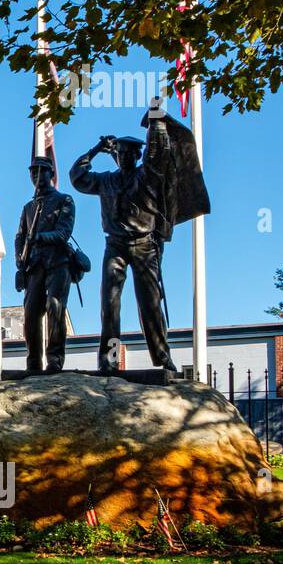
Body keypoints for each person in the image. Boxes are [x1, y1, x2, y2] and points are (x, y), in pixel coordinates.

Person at [69, 110, 175, 372]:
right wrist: (96, 149)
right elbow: (77, 177)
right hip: (115, 246)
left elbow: (158, 153)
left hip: (144, 245)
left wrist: (156, 122)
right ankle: (110, 359)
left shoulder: (147, 175)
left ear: (137, 155)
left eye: (130, 153)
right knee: (110, 304)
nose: (125, 156)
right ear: (115, 155)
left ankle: (162, 357)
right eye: (121, 152)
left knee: (150, 303)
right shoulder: (106, 180)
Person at [15, 156, 75, 373]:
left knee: (55, 309)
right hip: (34, 267)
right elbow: (20, 236)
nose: (37, 175)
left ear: (51, 174)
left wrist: (39, 237)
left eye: (41, 171)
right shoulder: (28, 207)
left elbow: (63, 233)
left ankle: (55, 360)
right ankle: (33, 363)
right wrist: (19, 262)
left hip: (58, 263)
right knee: (30, 316)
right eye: (33, 172)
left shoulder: (64, 201)